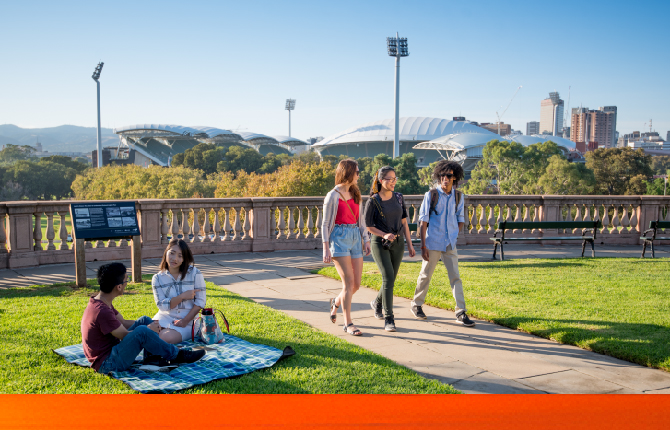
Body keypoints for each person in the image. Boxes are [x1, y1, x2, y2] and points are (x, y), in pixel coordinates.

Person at [81, 262, 205, 374]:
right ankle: (177, 355)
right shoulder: (102, 311)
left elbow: (123, 322)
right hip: (107, 363)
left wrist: (149, 325)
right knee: (143, 330)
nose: (127, 283)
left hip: (112, 353)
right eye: (126, 280)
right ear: (118, 286)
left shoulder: (101, 301)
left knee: (144, 320)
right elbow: (124, 335)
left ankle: (152, 359)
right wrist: (148, 330)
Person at [411, 160, 475, 327]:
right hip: (433, 242)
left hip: (450, 243)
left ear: (455, 178)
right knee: (425, 274)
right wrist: (423, 245)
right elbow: (423, 221)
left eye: (449, 176)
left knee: (455, 277)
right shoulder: (431, 195)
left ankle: (460, 311)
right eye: (442, 175)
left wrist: (454, 235)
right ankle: (417, 305)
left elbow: (461, 218)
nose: (445, 178)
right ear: (438, 177)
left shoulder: (459, 196)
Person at [322, 159, 371, 336]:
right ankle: (348, 323)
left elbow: (361, 220)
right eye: (357, 172)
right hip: (339, 239)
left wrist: (366, 240)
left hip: (355, 238)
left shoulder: (356, 194)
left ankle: (335, 302)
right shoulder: (332, 196)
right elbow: (325, 224)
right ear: (348, 173)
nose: (359, 175)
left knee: (356, 284)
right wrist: (325, 247)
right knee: (348, 283)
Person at [365, 166, 416, 332]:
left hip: (398, 243)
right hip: (380, 243)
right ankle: (389, 319)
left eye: (395, 178)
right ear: (381, 181)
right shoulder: (373, 201)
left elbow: (404, 223)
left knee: (391, 279)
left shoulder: (399, 198)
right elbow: (369, 226)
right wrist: (384, 235)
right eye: (390, 179)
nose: (393, 182)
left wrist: (409, 244)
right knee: (388, 277)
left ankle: (376, 302)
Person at [152, 238, 206, 344]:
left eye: (180, 256)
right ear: (166, 253)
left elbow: (200, 302)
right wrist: (182, 296)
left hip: (188, 321)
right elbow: (161, 305)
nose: (175, 259)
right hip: (164, 317)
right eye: (172, 253)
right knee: (145, 332)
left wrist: (185, 321)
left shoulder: (195, 273)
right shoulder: (157, 278)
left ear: (184, 259)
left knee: (164, 337)